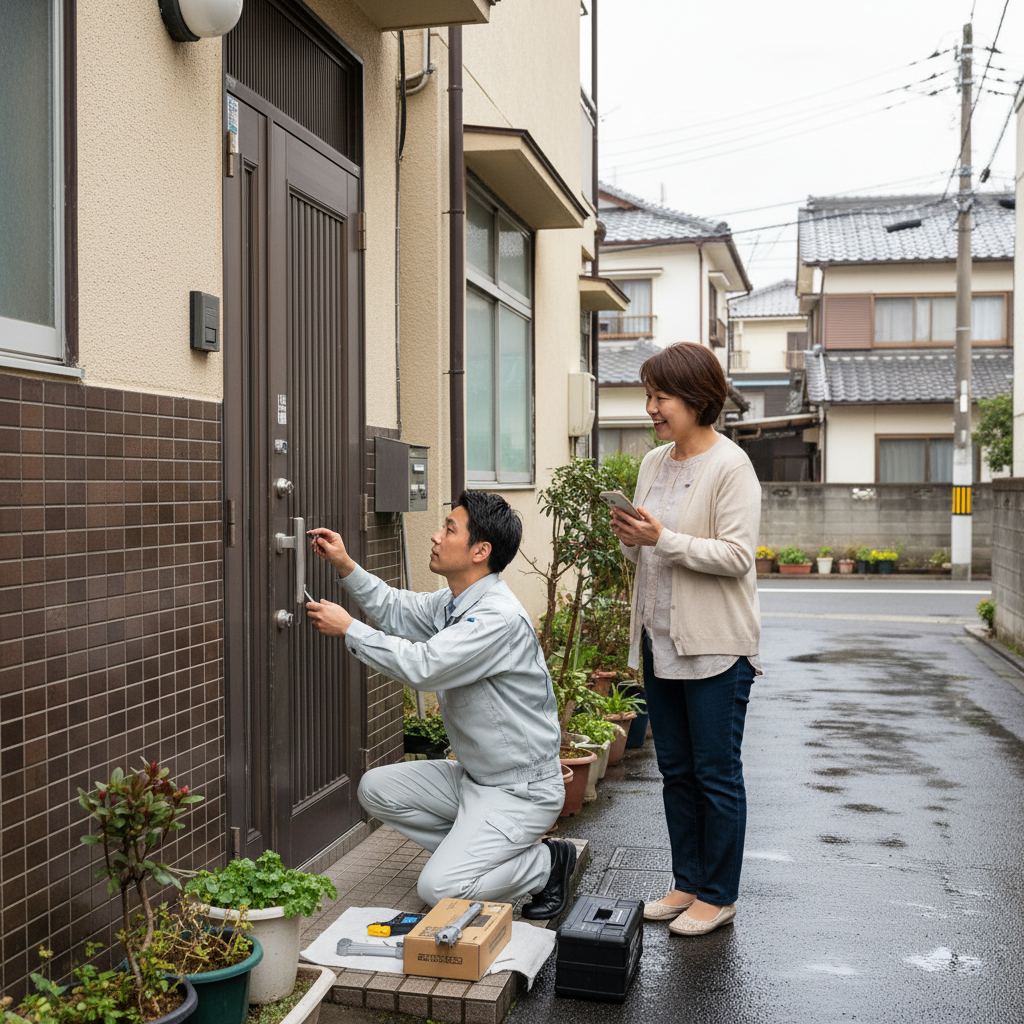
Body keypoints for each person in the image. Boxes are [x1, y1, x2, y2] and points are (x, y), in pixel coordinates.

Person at [304, 490, 575, 918]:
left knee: (439, 888)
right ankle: (479, 850)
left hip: (520, 791)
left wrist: (350, 630)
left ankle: (546, 865)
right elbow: (397, 608)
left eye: (449, 529)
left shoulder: (495, 618)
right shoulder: (454, 604)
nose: (435, 535)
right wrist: (344, 565)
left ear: (480, 551)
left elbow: (424, 666)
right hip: (475, 779)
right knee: (375, 789)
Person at [609, 342, 761, 937]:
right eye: (647, 395)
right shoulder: (653, 463)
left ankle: (718, 895)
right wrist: (630, 533)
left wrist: (662, 537)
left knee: (715, 773)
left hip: (717, 646)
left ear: (697, 399)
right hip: (659, 638)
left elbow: (736, 556)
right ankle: (687, 883)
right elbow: (641, 550)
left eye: (660, 396)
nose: (650, 407)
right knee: (675, 770)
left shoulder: (731, 466)